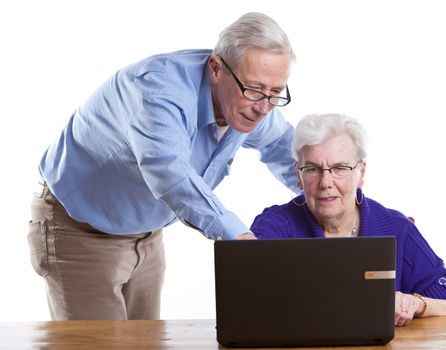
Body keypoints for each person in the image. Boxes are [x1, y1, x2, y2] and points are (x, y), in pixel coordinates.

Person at [28, 12, 298, 320]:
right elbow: (170, 173)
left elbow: (281, 144)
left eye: (275, 92)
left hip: (146, 234)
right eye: (254, 90)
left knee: (145, 342)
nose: (263, 108)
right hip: (78, 228)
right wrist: (239, 239)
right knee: (97, 344)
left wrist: (325, 185)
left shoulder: (250, 98)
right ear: (216, 69)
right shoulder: (160, 92)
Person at [251, 113, 446, 327]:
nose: (325, 182)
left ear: (361, 173)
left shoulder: (397, 228)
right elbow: (246, 306)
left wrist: (417, 303)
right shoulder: (274, 226)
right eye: (312, 169)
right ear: (298, 175)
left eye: (340, 168)